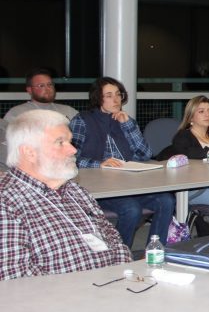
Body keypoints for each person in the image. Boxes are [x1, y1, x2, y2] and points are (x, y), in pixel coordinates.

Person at [0, 110, 130, 280]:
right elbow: (16, 277)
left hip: (110, 287)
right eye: (60, 142)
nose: (73, 150)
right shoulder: (7, 202)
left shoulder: (76, 191)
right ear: (29, 152)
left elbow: (114, 241)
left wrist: (120, 275)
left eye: (70, 141)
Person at [69, 77, 175, 249]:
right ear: (98, 98)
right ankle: (119, 254)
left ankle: (154, 250)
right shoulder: (82, 121)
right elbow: (71, 158)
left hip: (129, 183)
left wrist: (128, 126)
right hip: (99, 187)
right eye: (109, 95)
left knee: (166, 200)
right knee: (131, 209)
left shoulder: (126, 120)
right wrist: (99, 164)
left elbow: (145, 154)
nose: (116, 99)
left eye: (118, 94)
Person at [3, 67, 78, 122]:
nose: (48, 89)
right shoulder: (17, 113)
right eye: (41, 85)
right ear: (29, 90)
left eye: (50, 84)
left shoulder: (68, 111)